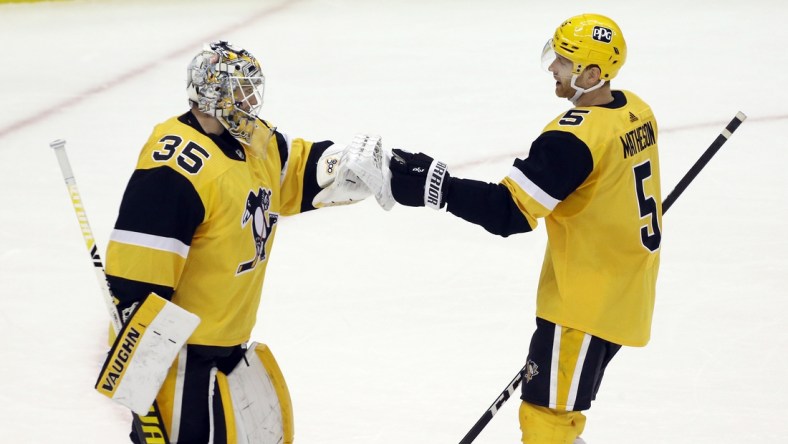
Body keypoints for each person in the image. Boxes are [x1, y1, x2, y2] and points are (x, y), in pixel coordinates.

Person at [378, 13, 661, 444]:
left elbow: (510, 212)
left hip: (583, 307)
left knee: (546, 420)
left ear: (591, 73)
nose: (553, 68)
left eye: (564, 62)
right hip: (623, 290)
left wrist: (438, 185)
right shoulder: (637, 111)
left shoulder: (573, 140)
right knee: (555, 414)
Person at [103, 41, 378, 443]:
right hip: (182, 360)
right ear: (214, 95)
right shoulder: (175, 167)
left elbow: (292, 173)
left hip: (226, 349)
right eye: (241, 91)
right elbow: (138, 277)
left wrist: (345, 166)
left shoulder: (252, 145)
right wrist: (143, 368)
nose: (251, 101)